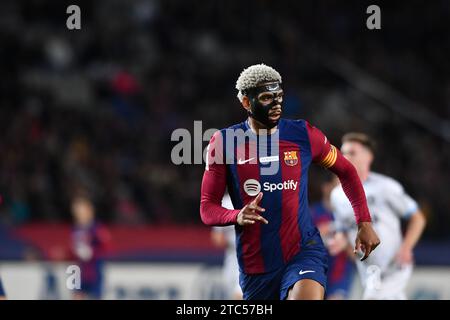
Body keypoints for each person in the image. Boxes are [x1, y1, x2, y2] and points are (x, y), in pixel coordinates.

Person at [200, 64, 380, 300]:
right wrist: (237, 215)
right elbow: (207, 208)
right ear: (246, 102)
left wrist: (364, 221)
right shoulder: (223, 142)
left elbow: (346, 170)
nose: (276, 105)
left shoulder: (303, 134)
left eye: (279, 97)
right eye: (266, 98)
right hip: (257, 267)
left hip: (303, 251)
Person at [330, 132, 426, 299]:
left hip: (393, 264)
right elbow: (342, 230)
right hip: (368, 269)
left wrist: (406, 248)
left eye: (352, 152)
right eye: (343, 153)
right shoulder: (337, 195)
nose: (345, 157)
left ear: (368, 157)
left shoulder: (386, 187)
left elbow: (418, 218)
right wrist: (339, 240)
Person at [309, 172, 355, 300]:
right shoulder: (311, 213)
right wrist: (317, 235)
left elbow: (359, 257)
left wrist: (345, 243)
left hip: (339, 278)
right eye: (338, 186)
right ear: (326, 187)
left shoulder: (350, 217)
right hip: (313, 276)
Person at [70, 195, 111, 300]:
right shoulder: (75, 229)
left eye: (81, 210)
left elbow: (107, 247)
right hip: (79, 269)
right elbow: (74, 249)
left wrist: (92, 252)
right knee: (76, 296)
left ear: (89, 210)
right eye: (76, 211)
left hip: (94, 269)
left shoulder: (96, 228)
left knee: (95, 296)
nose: (79, 214)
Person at [210, 192, 243, 300]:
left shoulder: (256, 199)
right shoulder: (224, 202)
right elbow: (217, 237)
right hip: (232, 259)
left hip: (249, 259)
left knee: (240, 295)